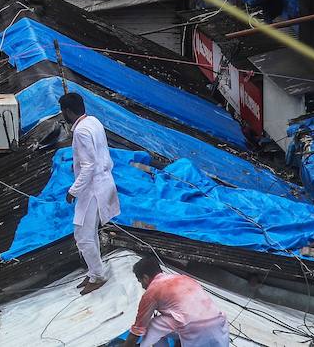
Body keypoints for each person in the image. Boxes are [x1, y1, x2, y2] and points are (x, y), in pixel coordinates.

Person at [59, 92, 119, 295]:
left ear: (67, 111)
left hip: (92, 189)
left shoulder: (81, 132)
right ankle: (95, 271)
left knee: (83, 235)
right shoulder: (93, 121)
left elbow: (89, 165)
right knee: (88, 232)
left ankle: (98, 276)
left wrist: (73, 190)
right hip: (102, 182)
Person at [122, 256, 230, 346]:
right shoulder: (183, 278)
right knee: (160, 323)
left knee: (152, 326)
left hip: (194, 329)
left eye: (140, 282)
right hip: (219, 324)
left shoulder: (152, 291)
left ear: (145, 278)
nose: (142, 286)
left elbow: (138, 329)